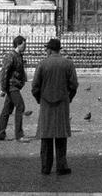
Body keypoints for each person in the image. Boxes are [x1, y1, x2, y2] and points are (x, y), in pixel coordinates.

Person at [31, 37, 78, 176]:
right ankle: (61, 166)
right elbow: (74, 85)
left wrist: (39, 99)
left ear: (50, 50)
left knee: (46, 136)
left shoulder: (42, 64)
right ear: (59, 49)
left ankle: (45, 167)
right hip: (62, 104)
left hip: (46, 103)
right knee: (61, 135)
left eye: (47, 48)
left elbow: (35, 86)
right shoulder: (68, 64)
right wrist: (69, 98)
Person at [0, 36, 28, 141]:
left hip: (16, 85)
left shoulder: (19, 56)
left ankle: (0, 134)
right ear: (18, 44)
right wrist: (3, 88)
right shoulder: (10, 56)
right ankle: (19, 134)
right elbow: (4, 72)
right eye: (24, 44)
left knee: (7, 110)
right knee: (20, 106)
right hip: (11, 85)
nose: (25, 46)